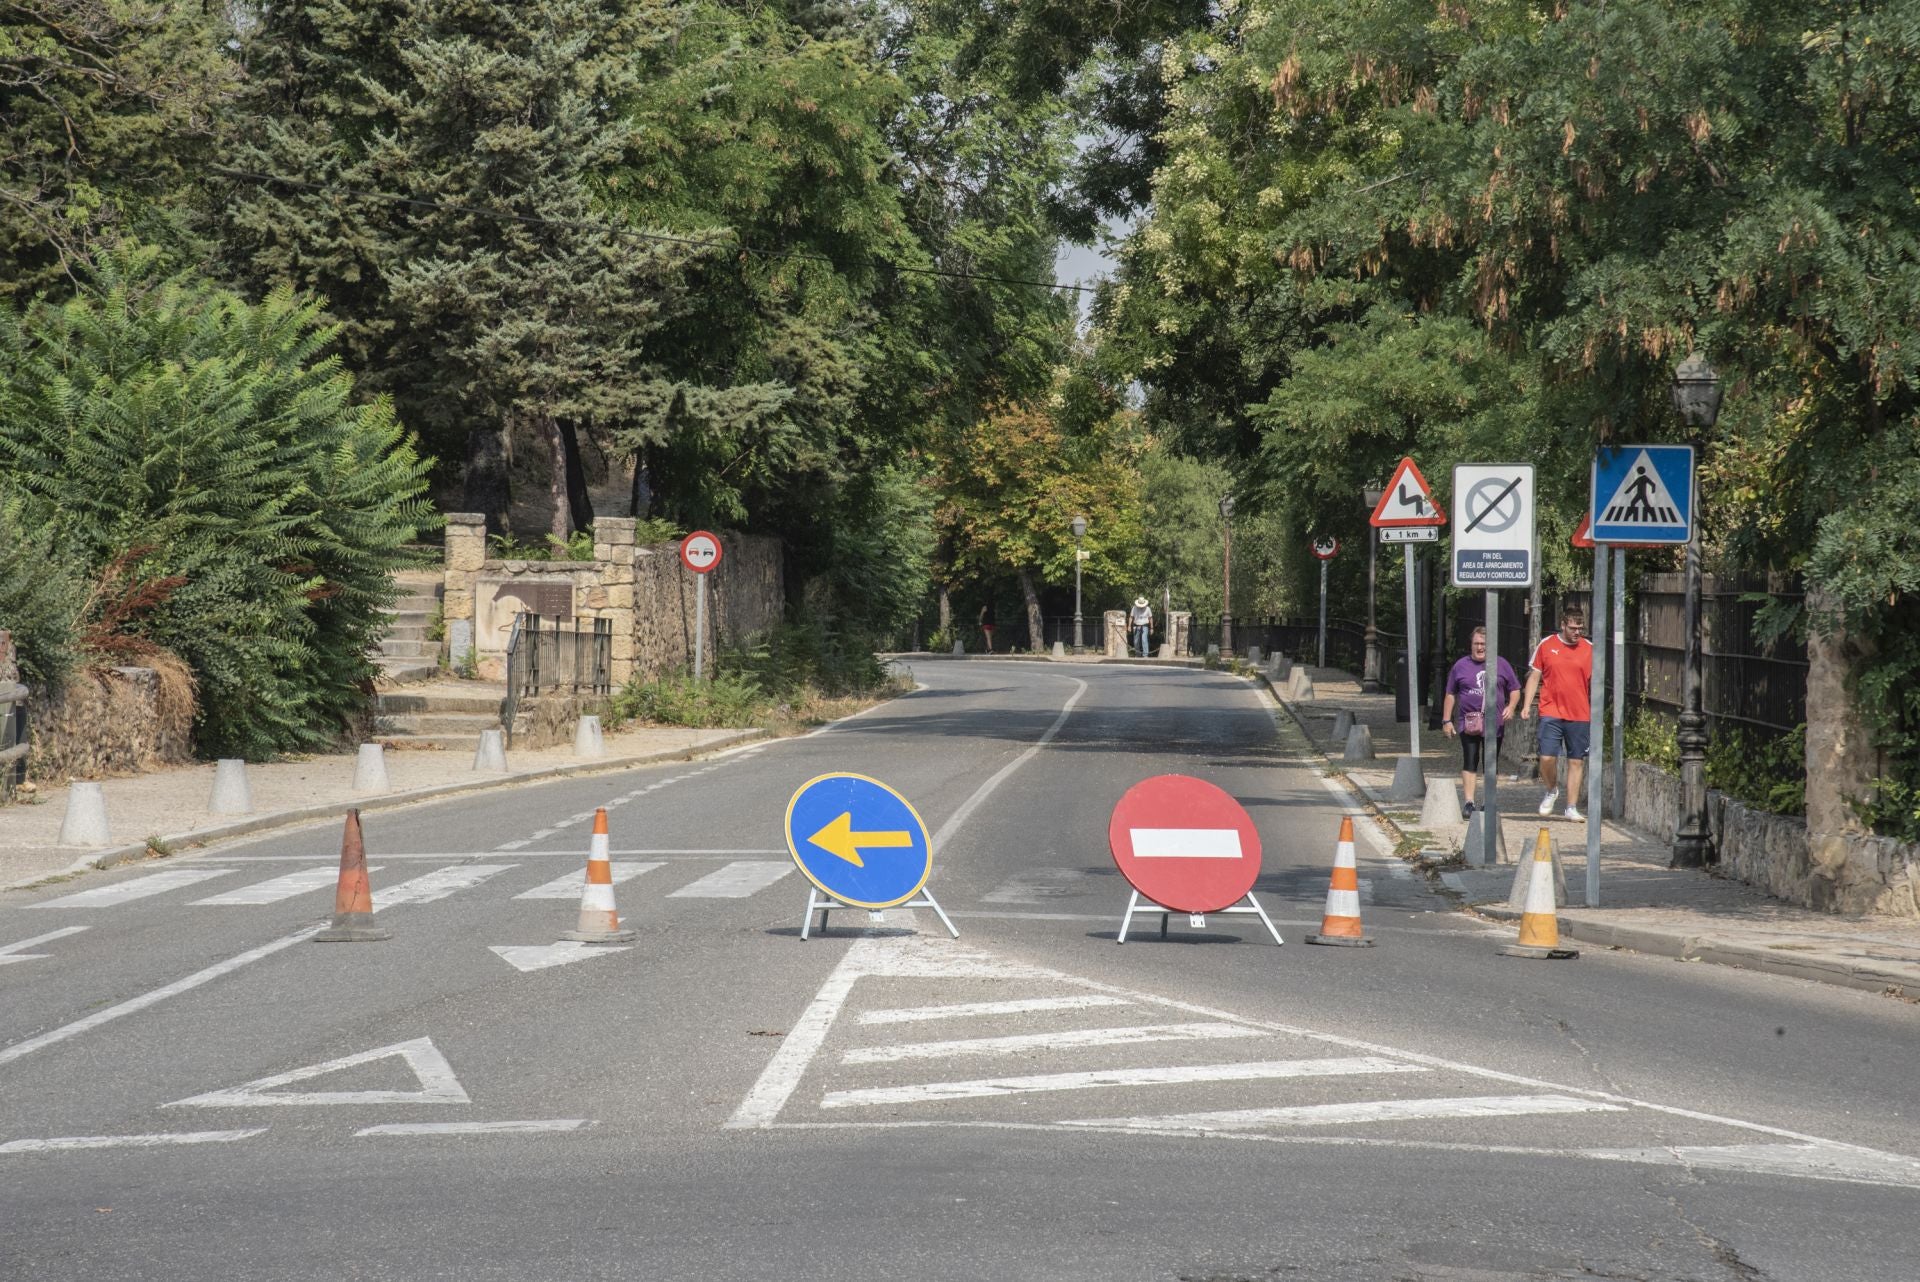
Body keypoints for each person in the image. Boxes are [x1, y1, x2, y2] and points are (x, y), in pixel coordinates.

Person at [1441, 626, 1521, 822]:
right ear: (1471, 644)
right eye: (1476, 643)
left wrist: (1511, 707)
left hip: (1494, 723)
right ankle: (1469, 802)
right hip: (1468, 722)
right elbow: (1450, 693)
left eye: (1483, 644)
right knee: (1470, 759)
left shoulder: (1501, 664)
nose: (1479, 647)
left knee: (1490, 762)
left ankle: (1488, 801)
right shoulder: (1461, 665)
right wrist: (1446, 720)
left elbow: (1515, 689)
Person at [1521, 604, 1594, 821]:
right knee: (1546, 757)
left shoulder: (1590, 648)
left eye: (1580, 628)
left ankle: (1571, 806)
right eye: (1572, 628)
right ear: (1563, 625)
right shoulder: (1547, 645)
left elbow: (1597, 681)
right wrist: (1526, 705)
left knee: (1576, 761)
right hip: (1551, 710)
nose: (1577, 632)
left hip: (1579, 713)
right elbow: (1534, 676)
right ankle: (1552, 790)